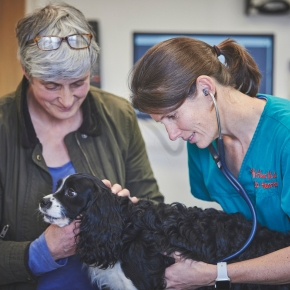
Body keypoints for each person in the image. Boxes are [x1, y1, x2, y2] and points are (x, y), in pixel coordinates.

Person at [0, 3, 163, 290]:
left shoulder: (118, 115)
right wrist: (40, 252)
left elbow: (154, 212)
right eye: (51, 86)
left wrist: (128, 212)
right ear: (27, 72)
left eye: (78, 83)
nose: (66, 100)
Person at [129, 36, 290, 289]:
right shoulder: (202, 143)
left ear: (206, 88)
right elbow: (232, 232)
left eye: (173, 115)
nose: (172, 135)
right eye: (163, 122)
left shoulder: (285, 134)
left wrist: (215, 273)